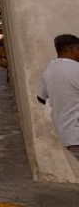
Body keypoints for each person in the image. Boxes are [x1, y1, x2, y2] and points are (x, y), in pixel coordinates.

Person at [37, 34, 79, 163]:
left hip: (67, 134)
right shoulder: (76, 69)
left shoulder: (49, 70)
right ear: (72, 50)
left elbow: (41, 98)